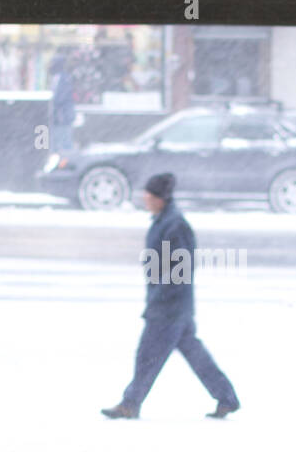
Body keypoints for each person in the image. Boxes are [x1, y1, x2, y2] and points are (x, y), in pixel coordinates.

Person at [102, 174, 241, 420]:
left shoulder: (174, 225)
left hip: (169, 307)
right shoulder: (163, 221)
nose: (145, 198)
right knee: (195, 355)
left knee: (147, 355)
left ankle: (130, 404)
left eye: (149, 194)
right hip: (174, 305)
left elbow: (180, 269)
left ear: (160, 198)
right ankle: (226, 398)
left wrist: (162, 297)